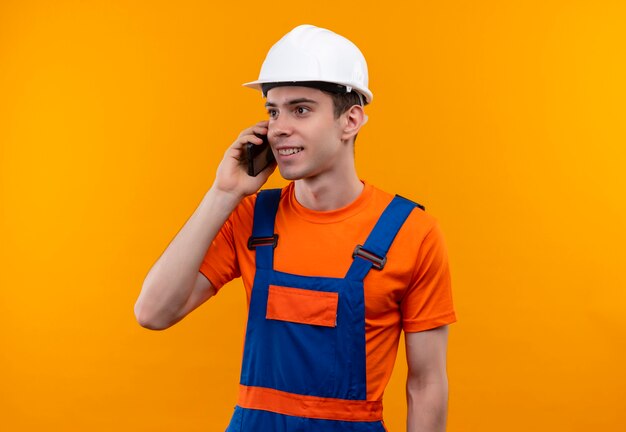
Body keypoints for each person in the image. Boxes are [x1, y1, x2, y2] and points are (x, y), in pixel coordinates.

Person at [135, 24, 456, 432]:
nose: (278, 127)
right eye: (273, 110)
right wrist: (223, 192)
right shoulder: (251, 218)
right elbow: (153, 313)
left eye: (300, 109)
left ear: (350, 120)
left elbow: (426, 383)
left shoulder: (411, 233)